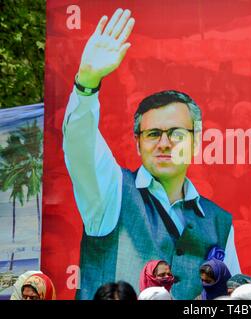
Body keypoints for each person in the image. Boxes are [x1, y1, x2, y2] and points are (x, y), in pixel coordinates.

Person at [62, 8, 239, 300]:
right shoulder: (112, 192)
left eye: (177, 134)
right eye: (154, 134)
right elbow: (80, 145)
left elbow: (230, 299)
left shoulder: (220, 221)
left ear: (195, 142)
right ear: (137, 143)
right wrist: (87, 83)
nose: (165, 143)